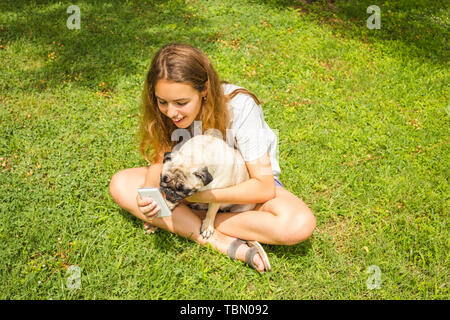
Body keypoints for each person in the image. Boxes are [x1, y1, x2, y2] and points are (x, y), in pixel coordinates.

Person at [109, 43, 316, 273]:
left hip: (243, 191)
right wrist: (148, 196)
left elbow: (264, 187)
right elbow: (159, 162)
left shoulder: (240, 106)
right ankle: (217, 239)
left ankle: (188, 222)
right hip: (187, 189)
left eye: (181, 103)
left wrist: (198, 197)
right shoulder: (168, 111)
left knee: (298, 223)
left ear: (204, 89)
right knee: (121, 183)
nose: (171, 112)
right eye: (162, 102)